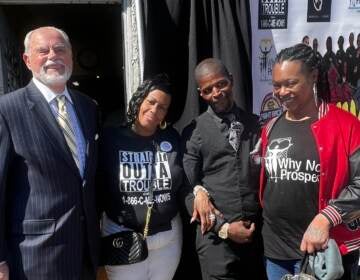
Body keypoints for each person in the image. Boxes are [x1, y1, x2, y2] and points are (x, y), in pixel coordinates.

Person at [0, 26, 99, 279]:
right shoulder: (7, 110)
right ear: (27, 60)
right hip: (34, 258)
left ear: (71, 57)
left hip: (85, 255)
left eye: (60, 49)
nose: (52, 55)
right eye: (42, 51)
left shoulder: (88, 107)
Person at [260, 43, 360, 280]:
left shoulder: (346, 125)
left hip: (324, 252)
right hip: (276, 251)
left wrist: (327, 217)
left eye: (290, 83)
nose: (282, 92)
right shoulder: (270, 127)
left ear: (313, 77)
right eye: (277, 85)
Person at [98, 75, 192, 280]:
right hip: (123, 238)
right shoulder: (111, 138)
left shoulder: (172, 138)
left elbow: (185, 179)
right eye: (151, 102)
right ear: (139, 100)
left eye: (162, 107)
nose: (154, 110)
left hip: (168, 239)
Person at [182, 58, 265, 280]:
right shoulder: (194, 131)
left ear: (232, 80)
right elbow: (187, 188)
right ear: (201, 94)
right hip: (216, 242)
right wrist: (224, 227)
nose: (217, 93)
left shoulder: (257, 124)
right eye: (208, 90)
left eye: (221, 84)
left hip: (257, 240)